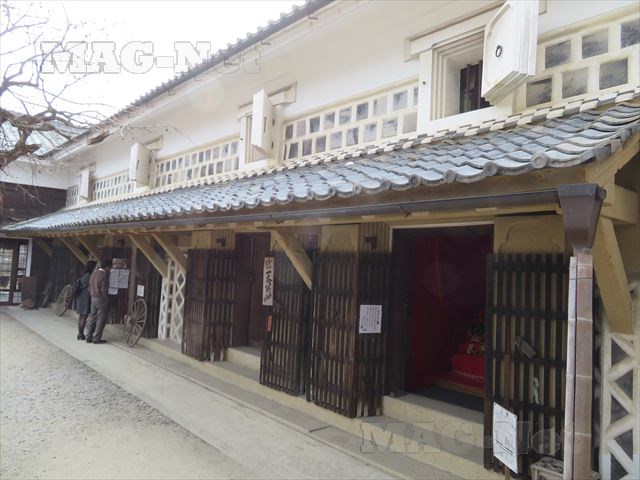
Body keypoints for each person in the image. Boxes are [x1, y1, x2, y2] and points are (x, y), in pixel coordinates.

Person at [84, 259, 111, 344]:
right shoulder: (104, 275)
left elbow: (89, 287)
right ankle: (96, 338)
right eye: (109, 267)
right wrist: (106, 299)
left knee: (92, 317)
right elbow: (104, 290)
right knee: (101, 319)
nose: (109, 269)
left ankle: (88, 337)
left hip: (93, 297)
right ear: (107, 267)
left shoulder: (94, 273)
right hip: (101, 298)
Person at [74, 260, 97, 340]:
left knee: (81, 316)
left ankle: (80, 333)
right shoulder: (89, 276)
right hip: (85, 298)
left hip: (80, 297)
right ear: (92, 267)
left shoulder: (82, 274)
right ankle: (81, 334)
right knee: (84, 316)